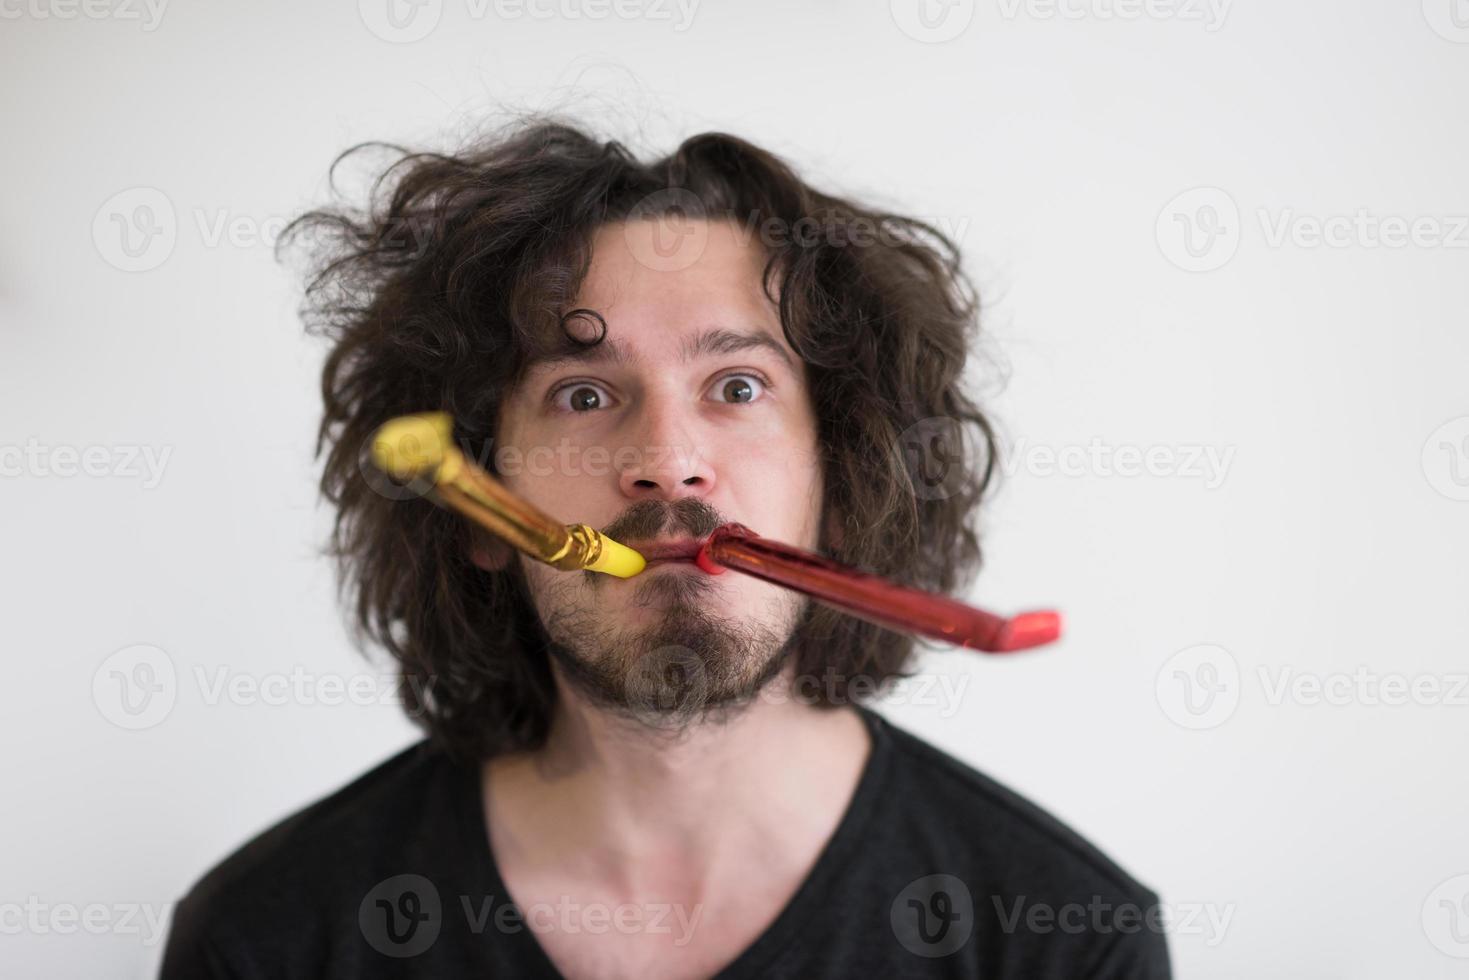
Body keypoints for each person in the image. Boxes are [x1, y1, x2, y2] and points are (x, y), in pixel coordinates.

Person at [159, 115, 1172, 978]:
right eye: (584, 393)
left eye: (735, 387)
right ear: (478, 512)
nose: (667, 462)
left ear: (840, 481)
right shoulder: (270, 937)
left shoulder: (1065, 940)